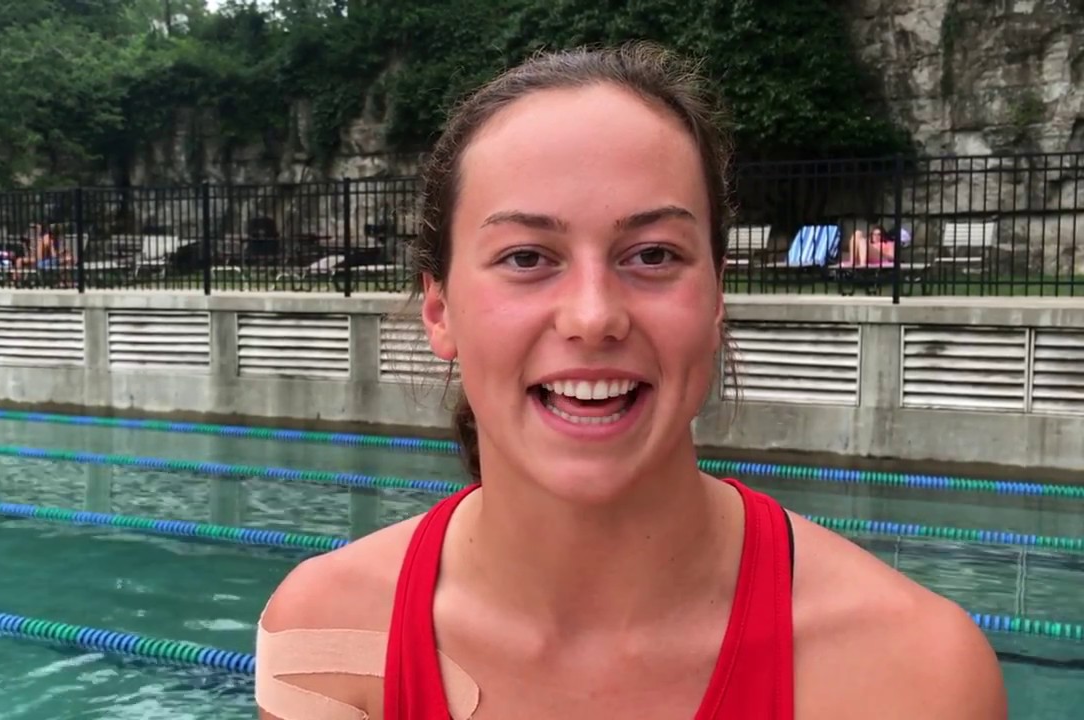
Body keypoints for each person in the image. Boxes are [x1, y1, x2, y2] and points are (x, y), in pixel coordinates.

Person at [255, 43, 1006, 720]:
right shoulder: (330, 637)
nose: (593, 317)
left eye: (651, 255)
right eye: (526, 257)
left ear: (717, 300)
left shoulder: (912, 675)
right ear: (440, 310)